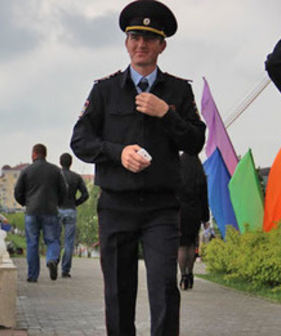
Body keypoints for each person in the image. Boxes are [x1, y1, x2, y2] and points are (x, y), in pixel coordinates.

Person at [70, 1, 206, 335]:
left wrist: (167, 113)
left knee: (164, 288)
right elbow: (80, 141)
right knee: (118, 292)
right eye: (134, 36)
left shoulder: (178, 91)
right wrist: (118, 153)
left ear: (162, 45)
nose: (140, 44)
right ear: (126, 42)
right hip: (116, 205)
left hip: (161, 207)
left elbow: (196, 143)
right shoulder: (105, 90)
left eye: (149, 37)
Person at [14, 144, 67, 282]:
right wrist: (58, 203)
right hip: (50, 210)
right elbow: (64, 190)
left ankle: (32, 276)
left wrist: (25, 203)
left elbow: (17, 192)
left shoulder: (26, 171)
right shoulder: (55, 170)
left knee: (32, 243)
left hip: (32, 211)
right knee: (53, 240)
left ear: (34, 154)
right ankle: (51, 260)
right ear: (45, 154)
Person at [177, 152, 209, 291]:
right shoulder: (199, 169)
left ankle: (183, 275)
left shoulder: (178, 164)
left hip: (180, 211)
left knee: (181, 245)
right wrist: (205, 217)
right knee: (191, 243)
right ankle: (190, 273)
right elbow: (204, 196)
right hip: (195, 211)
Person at [58, 153, 89, 278]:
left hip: (57, 209)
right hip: (71, 209)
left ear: (60, 162)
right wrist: (75, 203)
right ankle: (65, 270)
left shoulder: (56, 176)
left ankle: (53, 260)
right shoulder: (76, 177)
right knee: (69, 242)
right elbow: (85, 194)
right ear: (71, 163)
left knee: (55, 238)